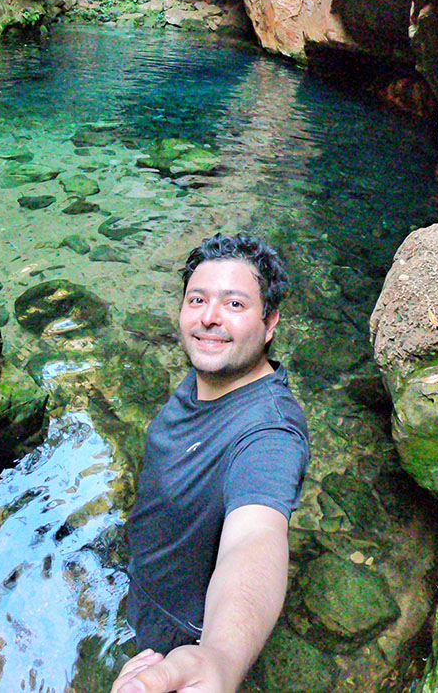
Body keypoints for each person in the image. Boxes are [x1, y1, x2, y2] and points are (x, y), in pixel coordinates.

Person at [112, 232, 309, 693]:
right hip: (146, 583)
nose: (209, 318)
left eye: (235, 305)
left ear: (270, 322)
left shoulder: (269, 433)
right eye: (197, 299)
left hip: (177, 637)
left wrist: (220, 656)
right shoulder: (210, 375)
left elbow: (256, 538)